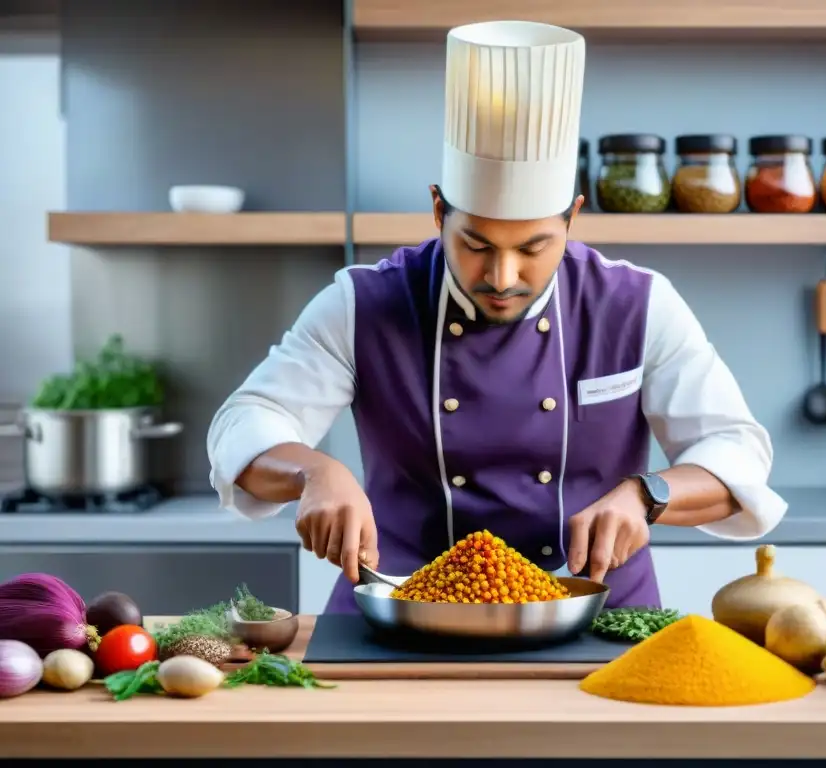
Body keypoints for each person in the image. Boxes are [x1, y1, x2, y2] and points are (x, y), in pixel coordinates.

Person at [207, 20, 787, 614]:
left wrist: (649, 494)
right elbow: (246, 422)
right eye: (477, 245)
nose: (502, 277)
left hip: (597, 616)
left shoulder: (637, 305)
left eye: (534, 248)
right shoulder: (364, 304)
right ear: (438, 211)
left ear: (572, 219)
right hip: (398, 612)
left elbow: (735, 449)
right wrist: (313, 472)